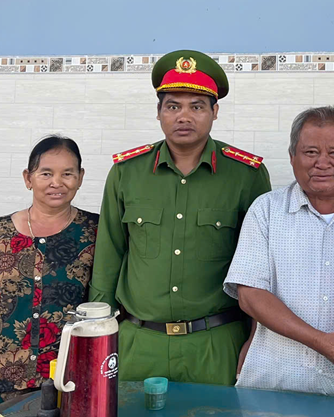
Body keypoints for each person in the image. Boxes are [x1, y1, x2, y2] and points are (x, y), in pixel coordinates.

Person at [89, 50, 271, 385]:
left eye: (197, 107)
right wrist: (97, 336)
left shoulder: (246, 175)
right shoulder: (126, 173)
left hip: (216, 345)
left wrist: (256, 341)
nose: (184, 116)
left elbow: (260, 266)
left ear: (215, 112)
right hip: (138, 344)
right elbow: (108, 256)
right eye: (173, 106)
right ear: (159, 112)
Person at [224, 106, 334, 400]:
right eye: (311, 152)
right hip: (277, 381)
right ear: (292, 156)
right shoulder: (266, 210)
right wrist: (320, 341)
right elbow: (250, 295)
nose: (322, 163)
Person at [0, 136, 98, 417]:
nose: (57, 182)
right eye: (46, 173)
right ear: (28, 178)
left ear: (80, 178)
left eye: (67, 173)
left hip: (69, 383)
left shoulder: (97, 232)